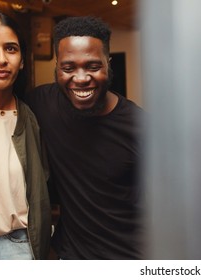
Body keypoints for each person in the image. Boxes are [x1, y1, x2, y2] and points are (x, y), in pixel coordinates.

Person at [25, 16, 143, 259]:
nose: (80, 78)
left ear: (108, 64)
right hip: (71, 257)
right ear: (57, 67)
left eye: (92, 66)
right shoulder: (40, 104)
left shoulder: (140, 127)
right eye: (68, 68)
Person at [0, 9, 51, 260]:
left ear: (23, 60)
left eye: (11, 49)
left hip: (19, 248)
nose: (1, 59)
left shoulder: (32, 117)